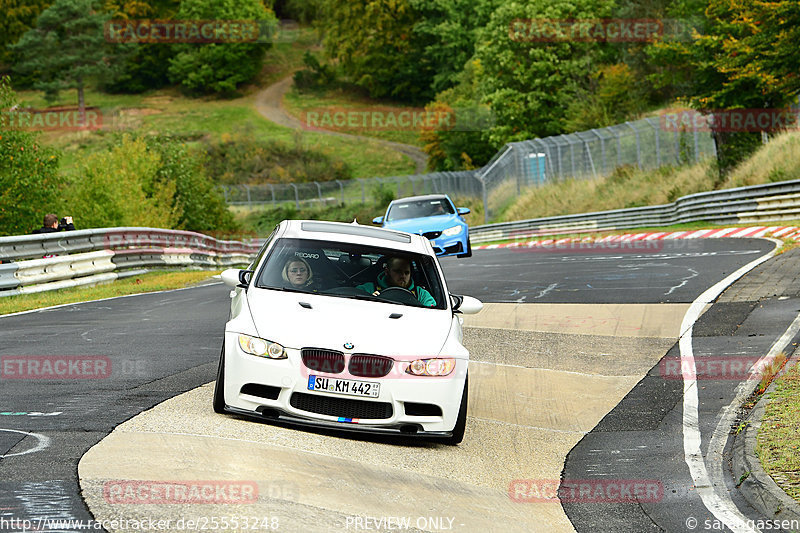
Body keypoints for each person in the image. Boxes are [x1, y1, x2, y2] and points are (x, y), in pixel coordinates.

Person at [357, 256, 436, 307]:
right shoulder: (368, 289)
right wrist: (369, 300)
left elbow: (432, 313)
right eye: (398, 271)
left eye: (406, 273)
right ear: (387, 272)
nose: (403, 276)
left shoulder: (421, 294)